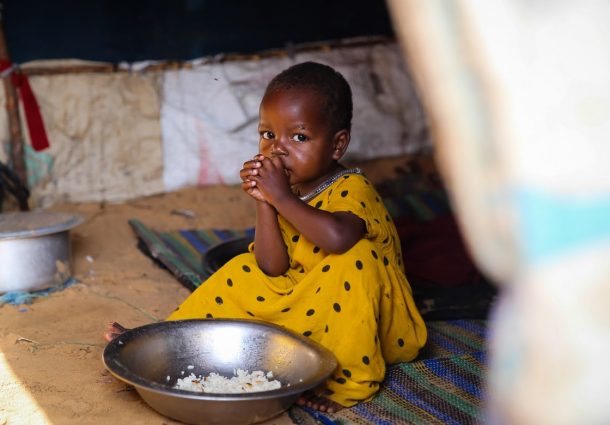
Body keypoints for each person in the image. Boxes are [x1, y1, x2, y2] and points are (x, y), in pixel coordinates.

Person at [105, 61, 427, 413]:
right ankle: (161, 344)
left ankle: (349, 383)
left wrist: (281, 198)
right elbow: (271, 268)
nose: (277, 149)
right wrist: (265, 201)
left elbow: (338, 240)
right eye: (268, 134)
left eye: (299, 137)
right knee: (241, 267)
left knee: (355, 258)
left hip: (370, 326)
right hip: (310, 310)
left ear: (337, 146)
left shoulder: (353, 187)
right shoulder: (284, 190)